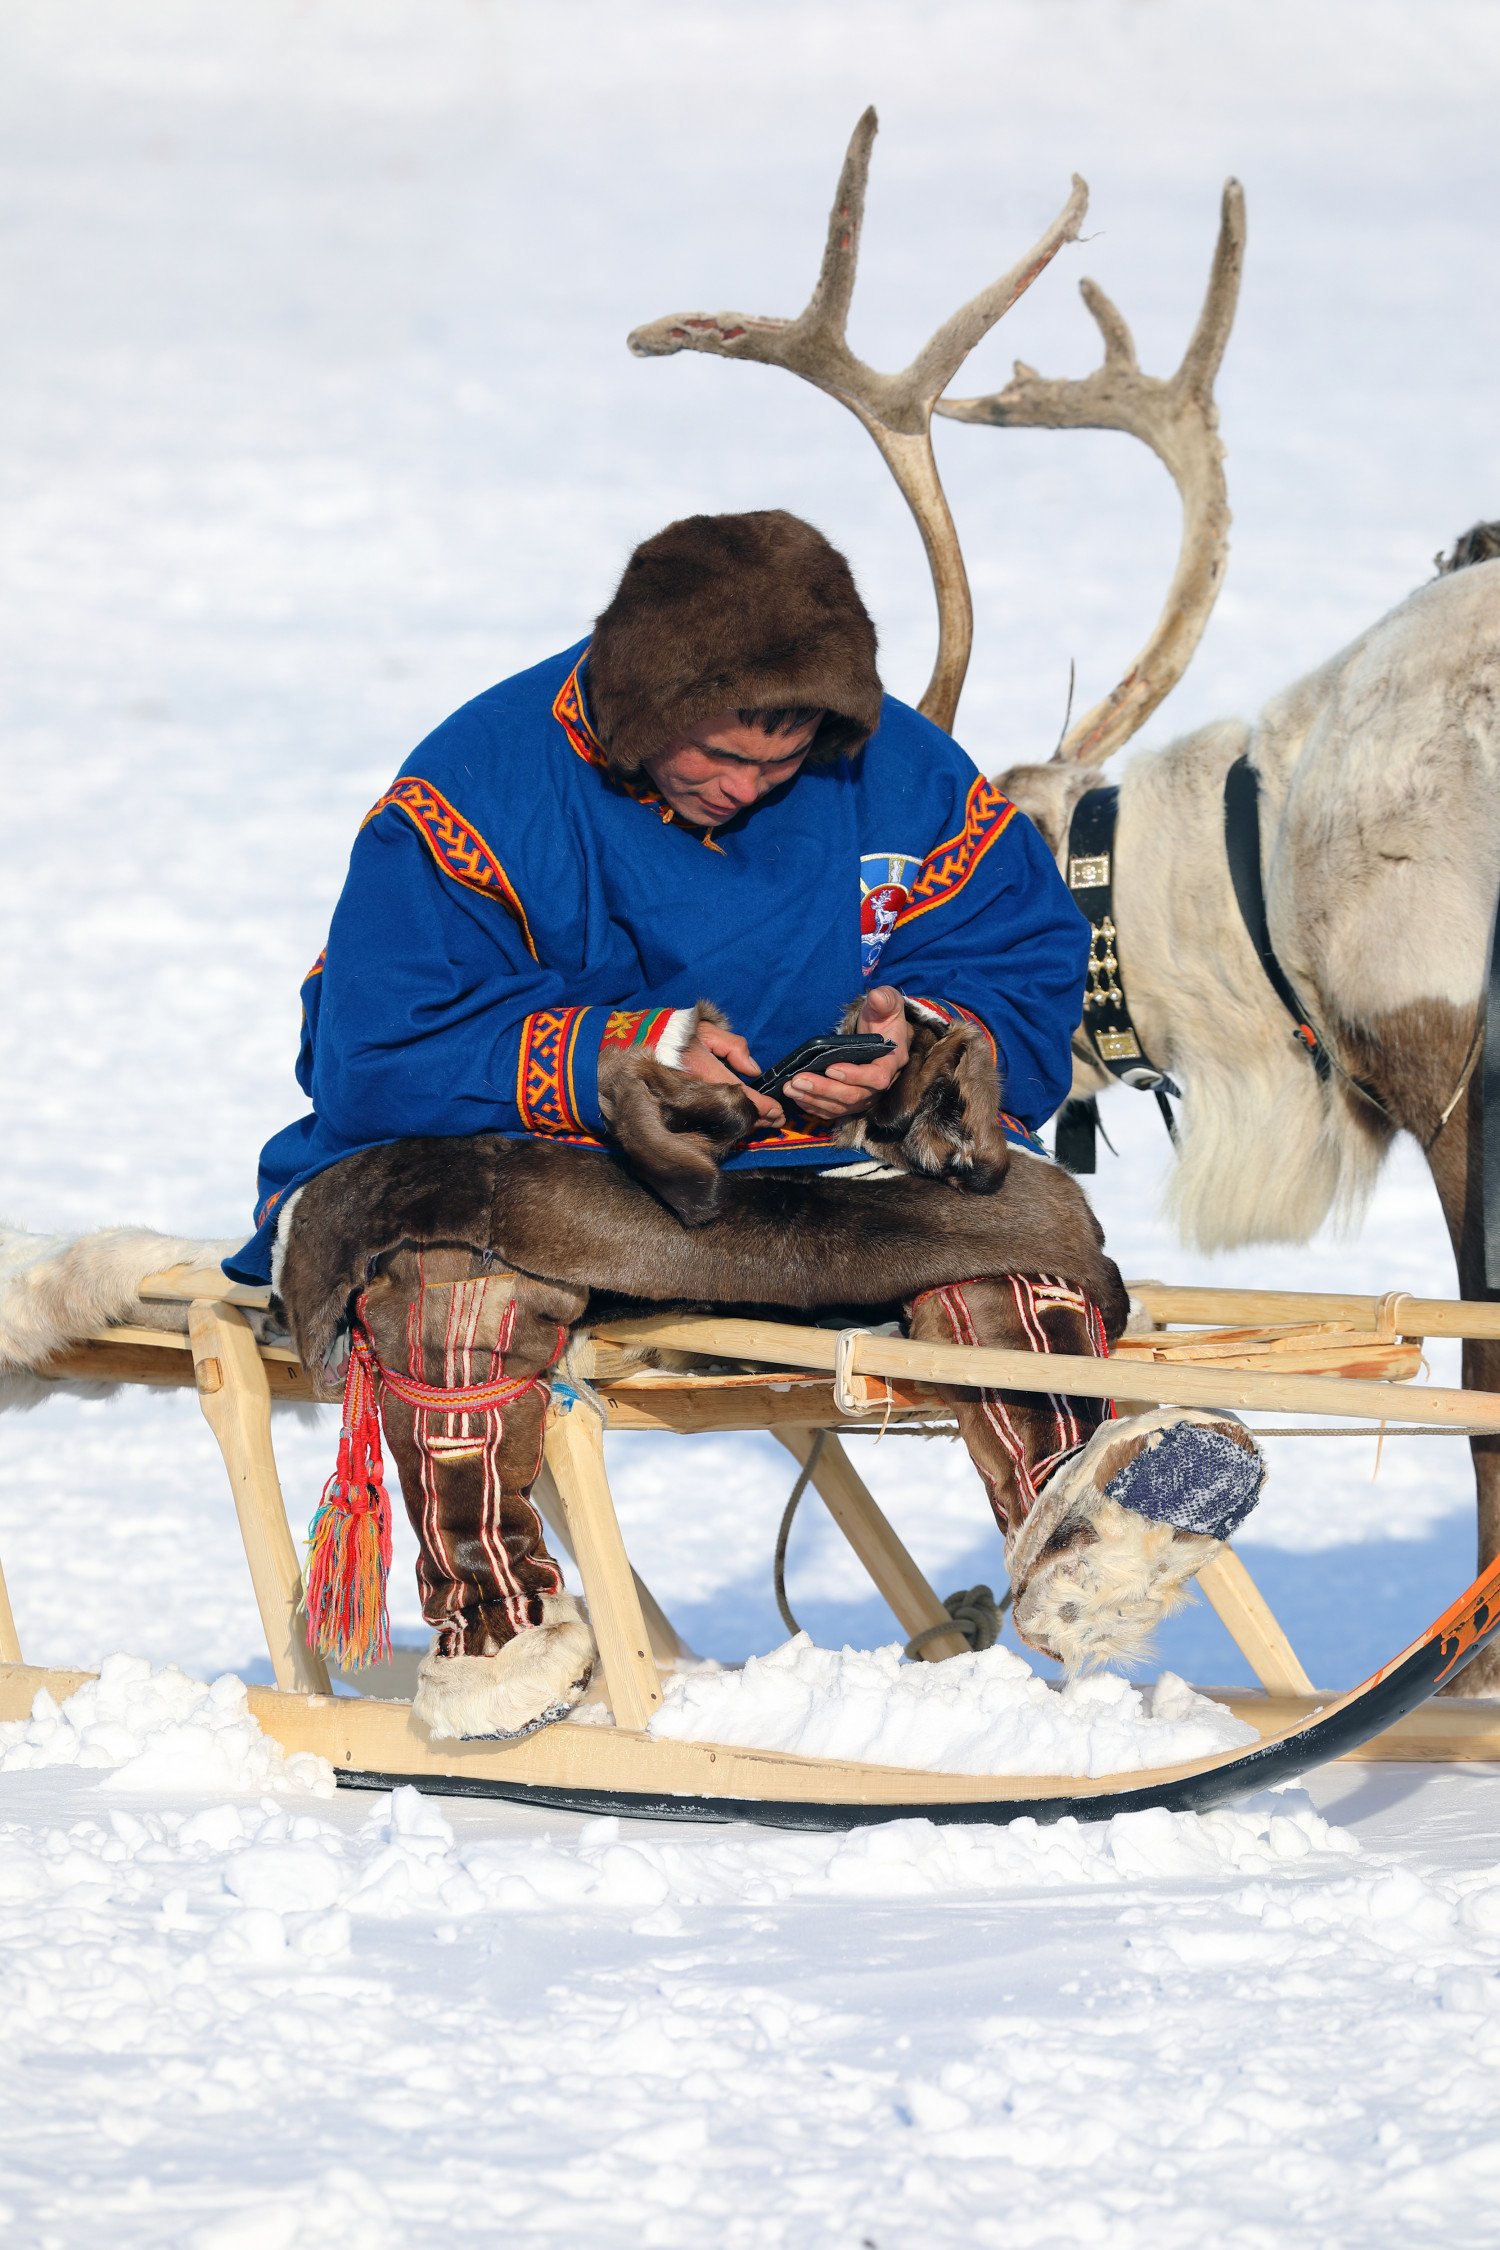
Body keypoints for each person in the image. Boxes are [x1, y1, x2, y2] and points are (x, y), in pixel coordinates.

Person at [229, 510, 1262, 1740]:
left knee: (1020, 1225)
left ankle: (1088, 1546)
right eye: (721, 755)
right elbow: (372, 1052)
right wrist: (617, 1060)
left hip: (805, 1183)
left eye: (786, 760)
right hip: (536, 1178)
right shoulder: (476, 786)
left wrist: (914, 1051)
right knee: (455, 1283)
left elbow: (1017, 956)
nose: (754, 785)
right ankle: (495, 1628)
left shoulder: (900, 771)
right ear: (641, 707)